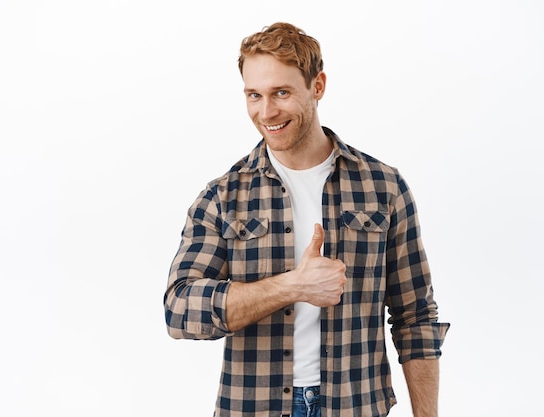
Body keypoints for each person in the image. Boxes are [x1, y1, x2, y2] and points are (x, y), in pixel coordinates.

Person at [163, 22, 450, 417]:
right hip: (253, 407)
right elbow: (179, 311)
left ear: (318, 86)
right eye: (254, 95)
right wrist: (291, 286)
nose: (267, 112)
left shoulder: (383, 186)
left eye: (281, 92)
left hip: (355, 405)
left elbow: (416, 317)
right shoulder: (223, 196)